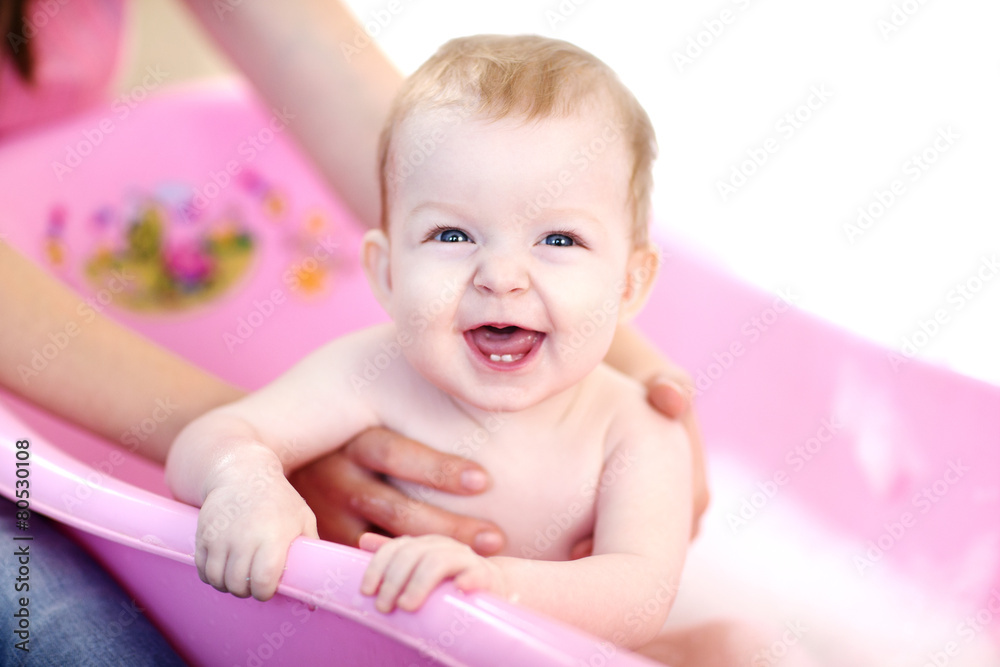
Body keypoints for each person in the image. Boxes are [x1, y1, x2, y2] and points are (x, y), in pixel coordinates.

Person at [0, 1, 709, 663]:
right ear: (386, 270)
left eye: (559, 239)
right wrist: (244, 476)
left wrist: (496, 587)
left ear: (631, 283)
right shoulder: (368, 374)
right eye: (453, 233)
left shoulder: (634, 428)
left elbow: (639, 591)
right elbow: (218, 436)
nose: (502, 275)